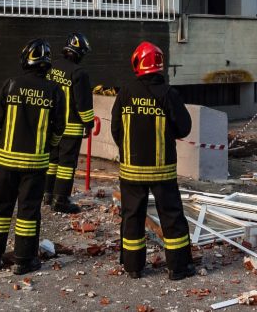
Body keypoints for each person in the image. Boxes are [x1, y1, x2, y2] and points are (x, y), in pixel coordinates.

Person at [111, 41, 196, 281]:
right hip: (162, 171)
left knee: (132, 216)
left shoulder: (125, 92)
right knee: (171, 217)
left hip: (131, 170)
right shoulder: (169, 94)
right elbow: (184, 128)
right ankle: (178, 267)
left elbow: (116, 129)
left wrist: (128, 151)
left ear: (138, 63)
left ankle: (133, 267)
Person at [0, 38, 65, 274]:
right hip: (35, 164)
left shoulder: (11, 84)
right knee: (28, 212)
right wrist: (50, 147)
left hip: (6, 161)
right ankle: (23, 261)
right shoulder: (54, 91)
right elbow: (59, 128)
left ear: (26, 60)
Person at [43, 31, 95, 213]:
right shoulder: (79, 73)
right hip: (70, 128)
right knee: (66, 165)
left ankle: (47, 195)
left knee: (52, 161)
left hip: (51, 126)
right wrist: (89, 124)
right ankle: (61, 200)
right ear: (80, 53)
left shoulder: (51, 67)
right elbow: (83, 104)